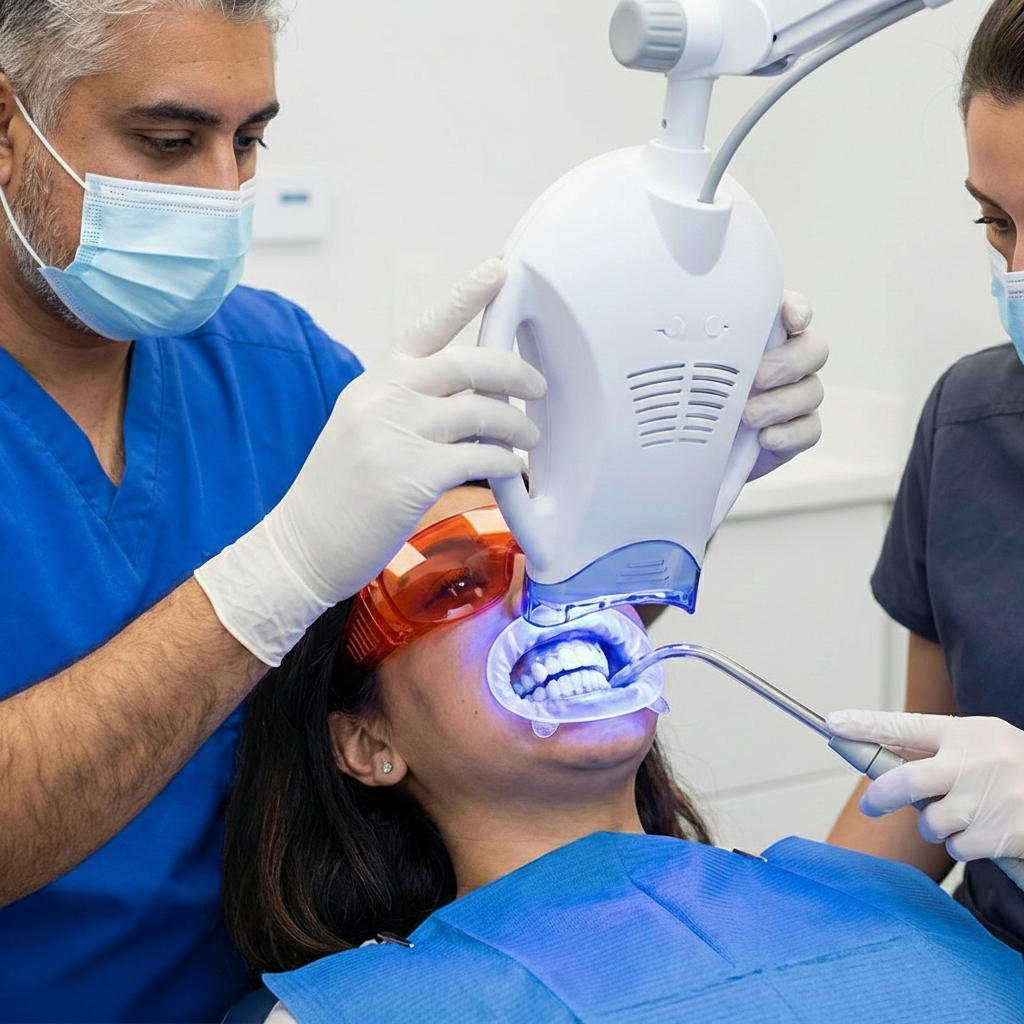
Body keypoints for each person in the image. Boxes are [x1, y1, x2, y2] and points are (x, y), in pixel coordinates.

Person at [0, 1, 828, 1020]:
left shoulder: (280, 370)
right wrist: (272, 579)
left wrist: (675, 483)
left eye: (249, 140)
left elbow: (484, 637)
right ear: (7, 125)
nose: (223, 189)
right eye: (168, 141)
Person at [221, 484, 1023, 1024]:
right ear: (367, 743)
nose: (542, 590)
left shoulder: (877, 890)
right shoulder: (351, 1012)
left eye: (570, 560)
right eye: (452, 582)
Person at [827, 0, 1024, 955]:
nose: (1019, 272)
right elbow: (916, 784)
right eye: (997, 225)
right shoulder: (971, 423)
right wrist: (797, 923)